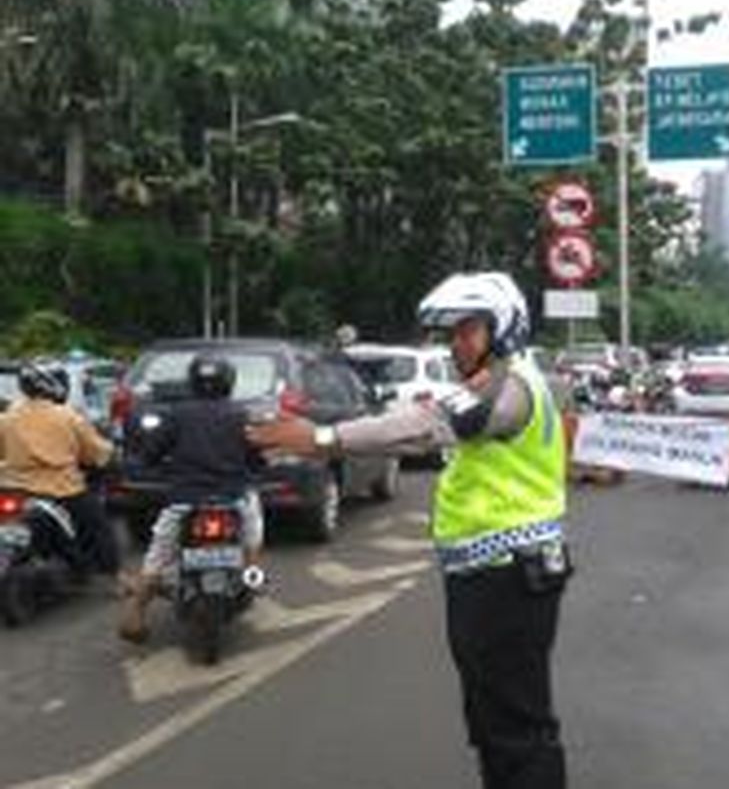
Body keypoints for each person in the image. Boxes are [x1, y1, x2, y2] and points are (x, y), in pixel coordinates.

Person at [249, 273, 571, 789]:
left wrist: (325, 437)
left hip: (510, 578)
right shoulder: (498, 381)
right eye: (453, 334)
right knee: (491, 719)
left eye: (469, 331)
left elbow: (425, 426)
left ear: (503, 330)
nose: (457, 344)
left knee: (517, 725)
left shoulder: (510, 388)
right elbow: (416, 428)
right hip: (490, 576)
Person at [118, 353, 265, 644]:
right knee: (252, 534)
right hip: (233, 499)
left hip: (185, 501)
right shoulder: (242, 415)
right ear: (229, 382)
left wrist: (150, 463)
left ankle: (134, 613)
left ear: (193, 382)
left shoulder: (176, 414)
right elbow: (256, 458)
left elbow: (150, 453)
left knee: (158, 557)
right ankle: (252, 574)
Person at [0, 362, 119, 581]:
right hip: (61, 490)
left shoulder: (6, 418)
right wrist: (111, 452)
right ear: (55, 385)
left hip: (13, 489)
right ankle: (116, 577)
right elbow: (95, 453)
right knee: (99, 526)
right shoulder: (68, 417)